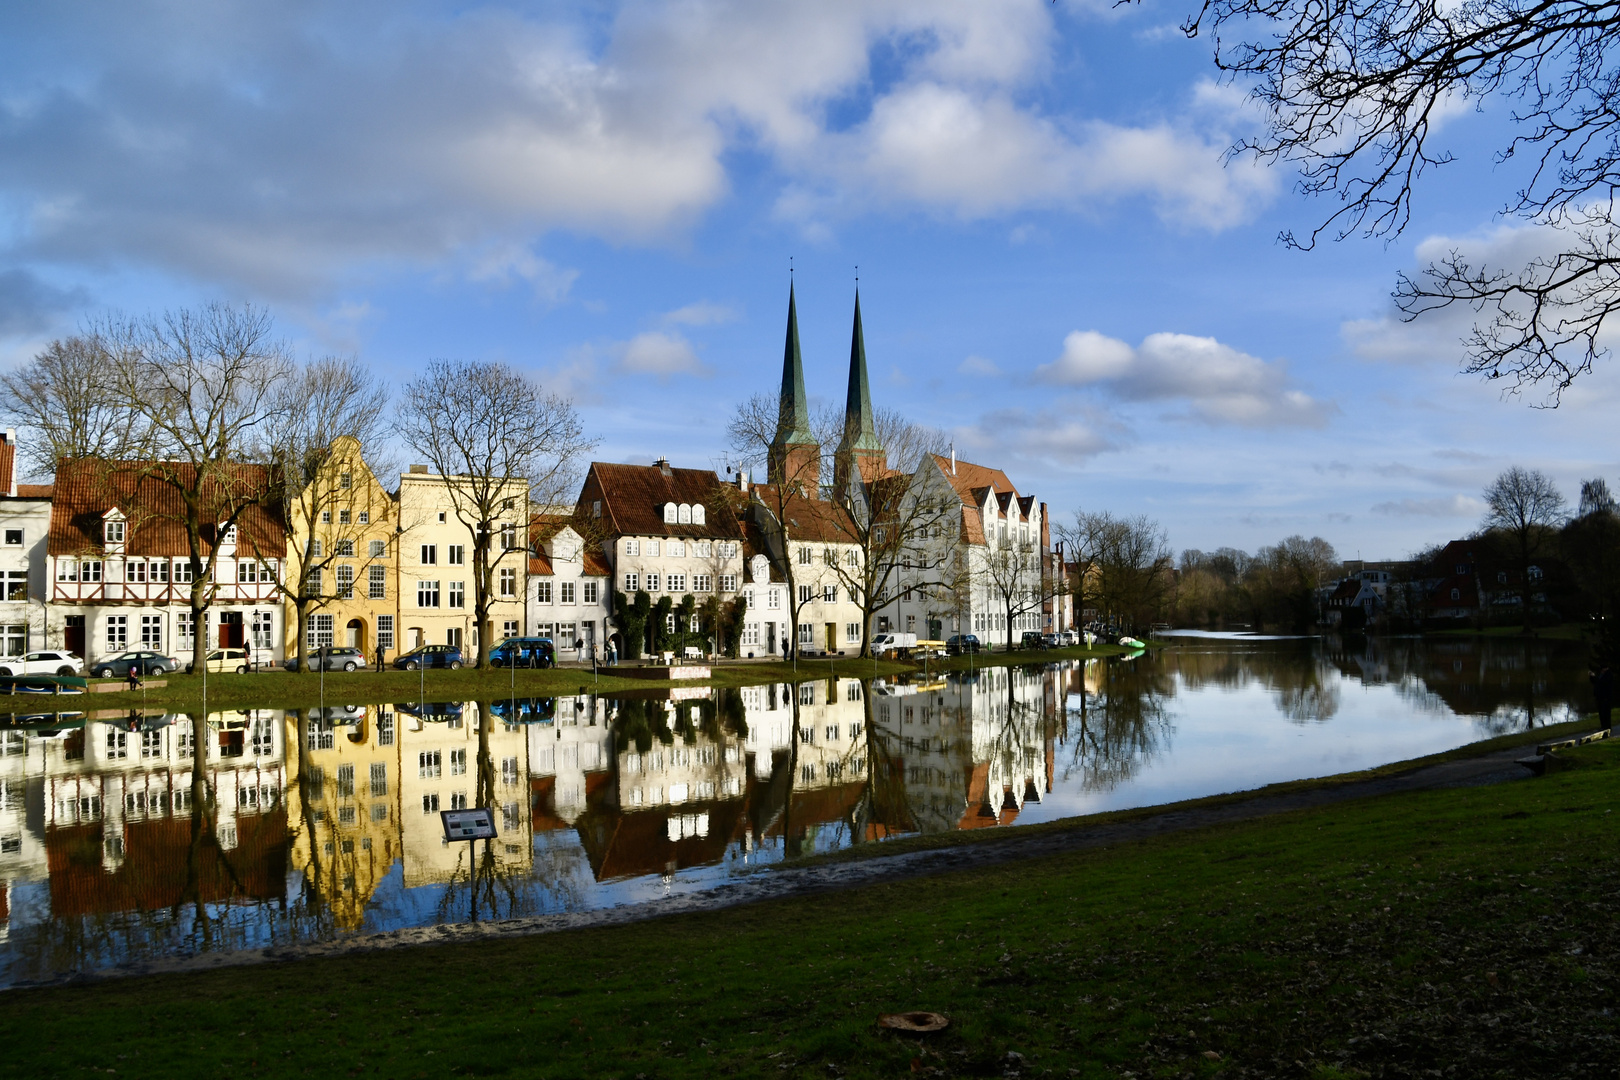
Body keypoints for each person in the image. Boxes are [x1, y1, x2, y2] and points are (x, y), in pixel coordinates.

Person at [1592, 661, 1614, 733]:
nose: (1601, 671)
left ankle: (1607, 727)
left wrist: (1594, 677)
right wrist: (1592, 677)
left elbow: (1601, 683)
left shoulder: (1608, 675)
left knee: (1605, 712)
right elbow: (1597, 682)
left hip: (1605, 697)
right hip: (1600, 696)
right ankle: (1604, 726)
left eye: (1602, 669)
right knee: (1602, 712)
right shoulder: (1602, 674)